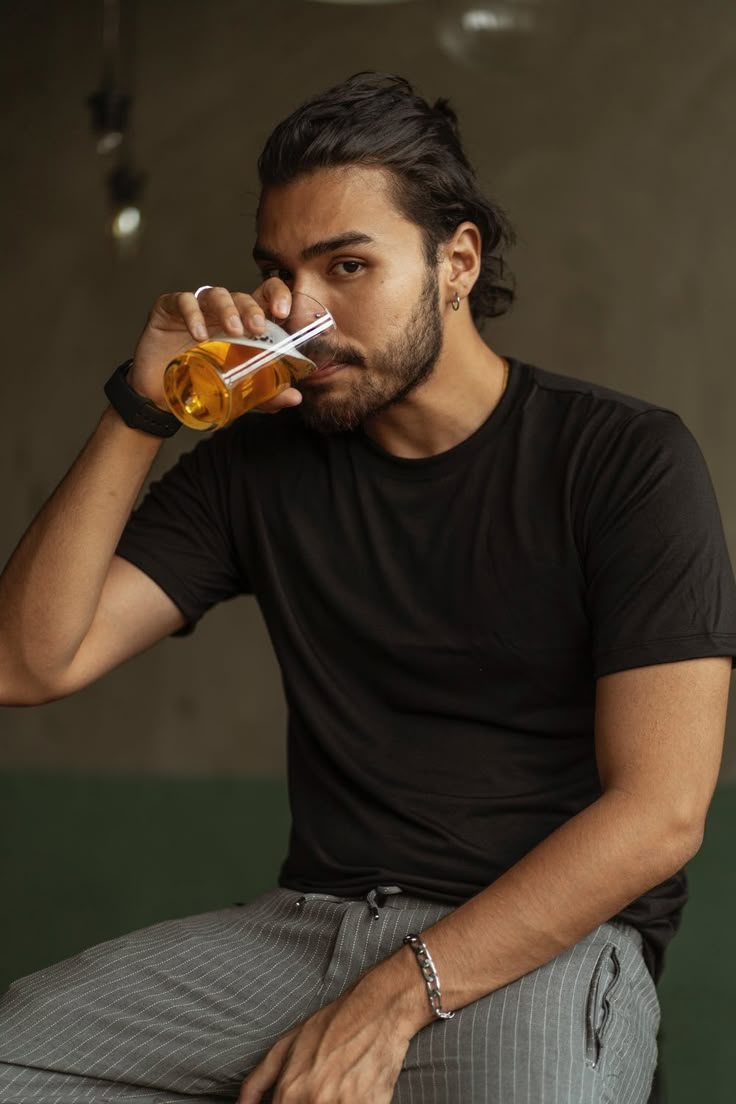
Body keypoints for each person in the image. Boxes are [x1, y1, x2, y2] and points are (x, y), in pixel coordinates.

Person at [0, 72, 734, 1104]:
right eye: (279, 272)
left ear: (456, 262)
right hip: (305, 928)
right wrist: (140, 407)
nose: (300, 310)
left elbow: (659, 814)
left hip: (540, 941)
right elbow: (26, 664)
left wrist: (393, 998)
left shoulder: (623, 460)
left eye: (347, 265)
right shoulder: (257, 466)